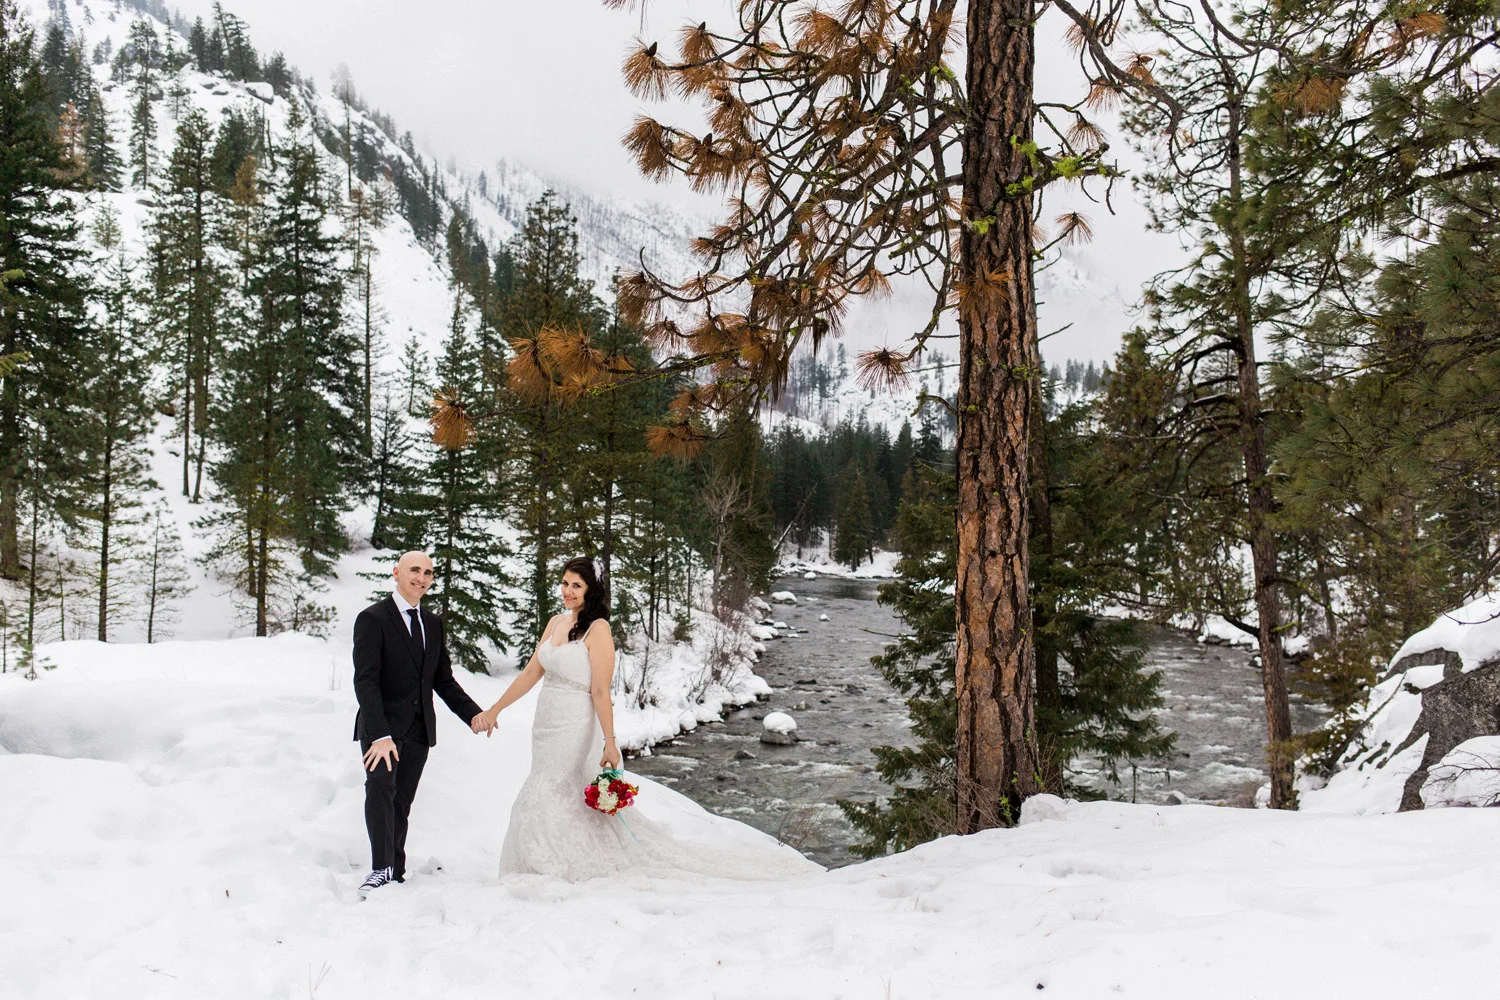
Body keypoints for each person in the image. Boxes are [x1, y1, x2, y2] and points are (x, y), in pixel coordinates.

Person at [474, 556, 818, 882]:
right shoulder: (554, 622)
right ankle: (540, 862)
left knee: (553, 788)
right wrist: (495, 709)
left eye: (576, 585)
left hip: (575, 724)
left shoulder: (598, 630)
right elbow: (532, 672)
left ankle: (557, 865)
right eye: (565, 583)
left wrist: (610, 743)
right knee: (547, 783)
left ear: (591, 590)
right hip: (546, 722)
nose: (567, 591)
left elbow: (599, 692)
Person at [352, 550, 494, 897]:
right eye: (415, 570)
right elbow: (365, 681)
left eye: (428, 573)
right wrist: (380, 734)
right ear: (397, 572)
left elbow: (442, 680)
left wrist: (473, 714)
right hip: (381, 730)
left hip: (419, 730)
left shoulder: (432, 623)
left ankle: (395, 870)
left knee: (402, 801)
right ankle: (381, 869)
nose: (422, 578)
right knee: (380, 791)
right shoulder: (372, 619)